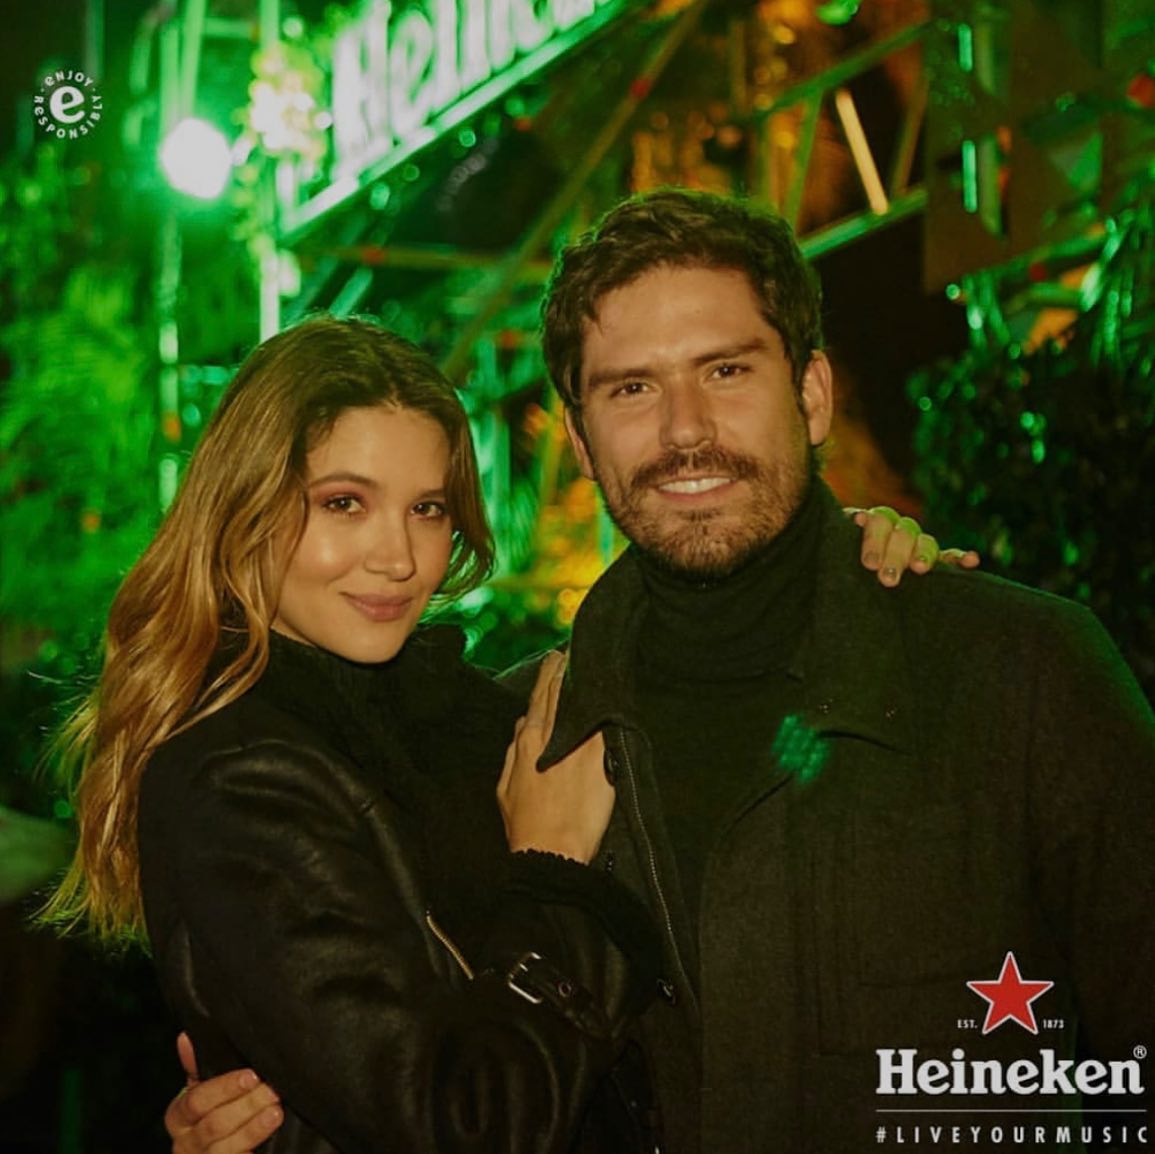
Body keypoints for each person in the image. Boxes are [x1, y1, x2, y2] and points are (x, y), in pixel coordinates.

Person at [176, 188, 1155, 1154]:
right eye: (631, 388)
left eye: (726, 370)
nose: (686, 429)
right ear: (580, 439)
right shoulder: (509, 742)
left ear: (813, 394)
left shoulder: (1020, 674)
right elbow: (427, 1071)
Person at [41, 317, 666, 1154]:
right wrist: (553, 873)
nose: (398, 557)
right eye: (344, 503)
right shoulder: (239, 777)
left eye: (427, 509)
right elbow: (461, 1127)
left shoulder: (463, 720)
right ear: (245, 510)